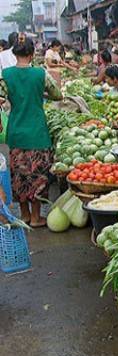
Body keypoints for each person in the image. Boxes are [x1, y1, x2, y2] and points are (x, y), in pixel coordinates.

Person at [0, 35, 62, 227]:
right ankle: (36, 217)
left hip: (17, 130)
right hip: (37, 131)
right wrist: (39, 93)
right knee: (38, 175)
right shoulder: (40, 74)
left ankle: (25, 215)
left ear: (14, 53)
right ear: (32, 53)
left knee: (19, 175)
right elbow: (57, 95)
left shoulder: (5, 75)